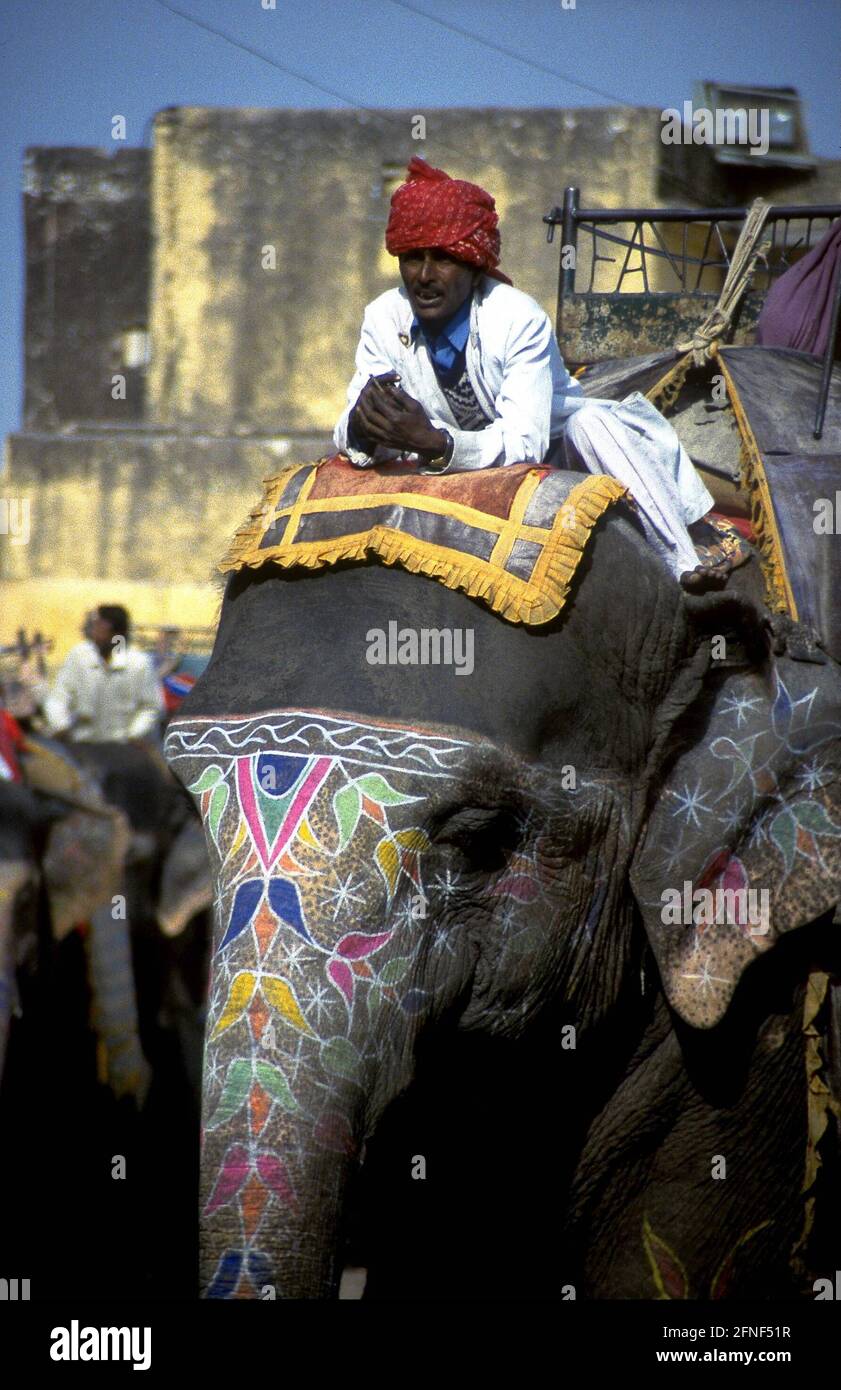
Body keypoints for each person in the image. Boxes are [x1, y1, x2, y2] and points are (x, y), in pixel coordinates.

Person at [334, 156, 743, 590]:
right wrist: (364, 426)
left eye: (444, 259)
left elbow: (526, 444)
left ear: (475, 269)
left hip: (559, 459)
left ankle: (682, 562)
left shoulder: (517, 317)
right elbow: (350, 435)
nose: (425, 276)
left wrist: (436, 443)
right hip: (452, 474)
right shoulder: (384, 317)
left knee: (592, 422)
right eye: (413, 258)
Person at [41, 604, 164, 743]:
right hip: (81, 744)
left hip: (124, 747)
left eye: (100, 629)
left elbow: (151, 707)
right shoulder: (79, 656)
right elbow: (58, 697)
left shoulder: (139, 663)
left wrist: (134, 735)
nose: (94, 634)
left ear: (117, 635)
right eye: (94, 627)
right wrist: (61, 725)